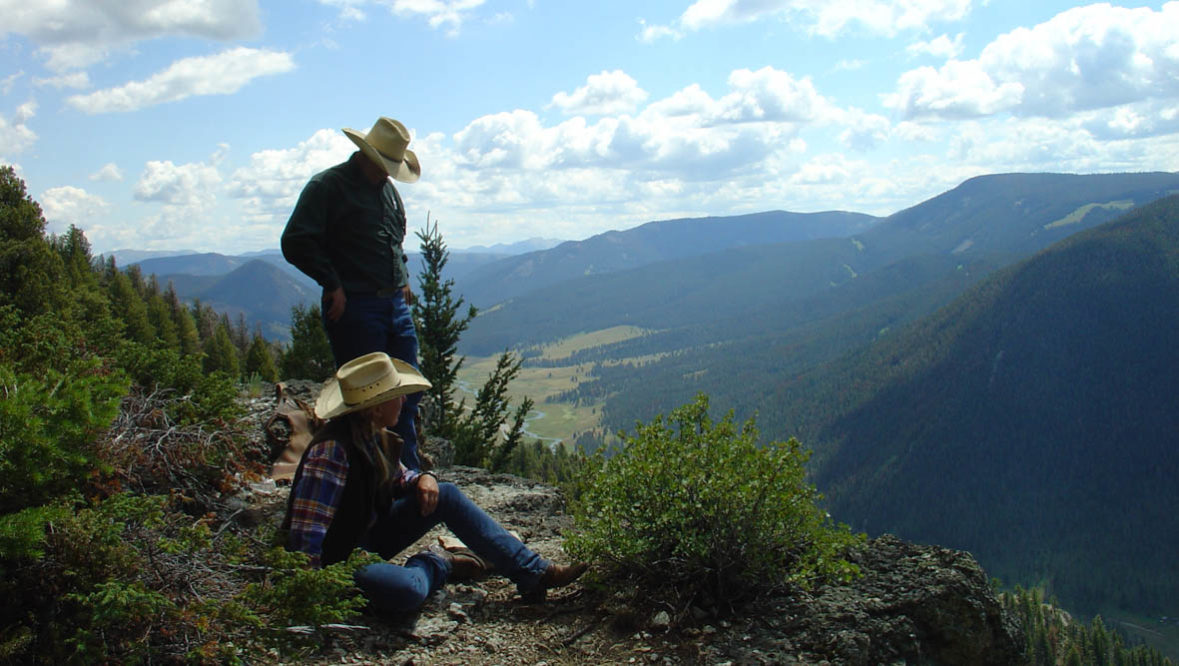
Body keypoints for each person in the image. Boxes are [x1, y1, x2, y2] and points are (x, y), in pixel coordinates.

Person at [282, 352, 587, 612]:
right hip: (339, 564)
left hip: (366, 539)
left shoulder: (373, 438)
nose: (402, 400)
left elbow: (402, 478)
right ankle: (438, 562)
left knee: (446, 494)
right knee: (407, 590)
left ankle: (534, 572)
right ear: (376, 408)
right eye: (395, 395)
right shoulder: (332, 451)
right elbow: (306, 535)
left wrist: (424, 478)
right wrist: (316, 594)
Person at [281, 116, 425, 469]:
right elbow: (296, 241)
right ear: (367, 155)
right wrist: (332, 283)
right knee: (366, 397)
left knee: (407, 388)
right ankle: (365, 474)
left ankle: (404, 467)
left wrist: (402, 277)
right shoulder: (329, 187)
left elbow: (394, 239)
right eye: (385, 165)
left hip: (392, 303)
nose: (389, 173)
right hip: (357, 305)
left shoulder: (387, 191)